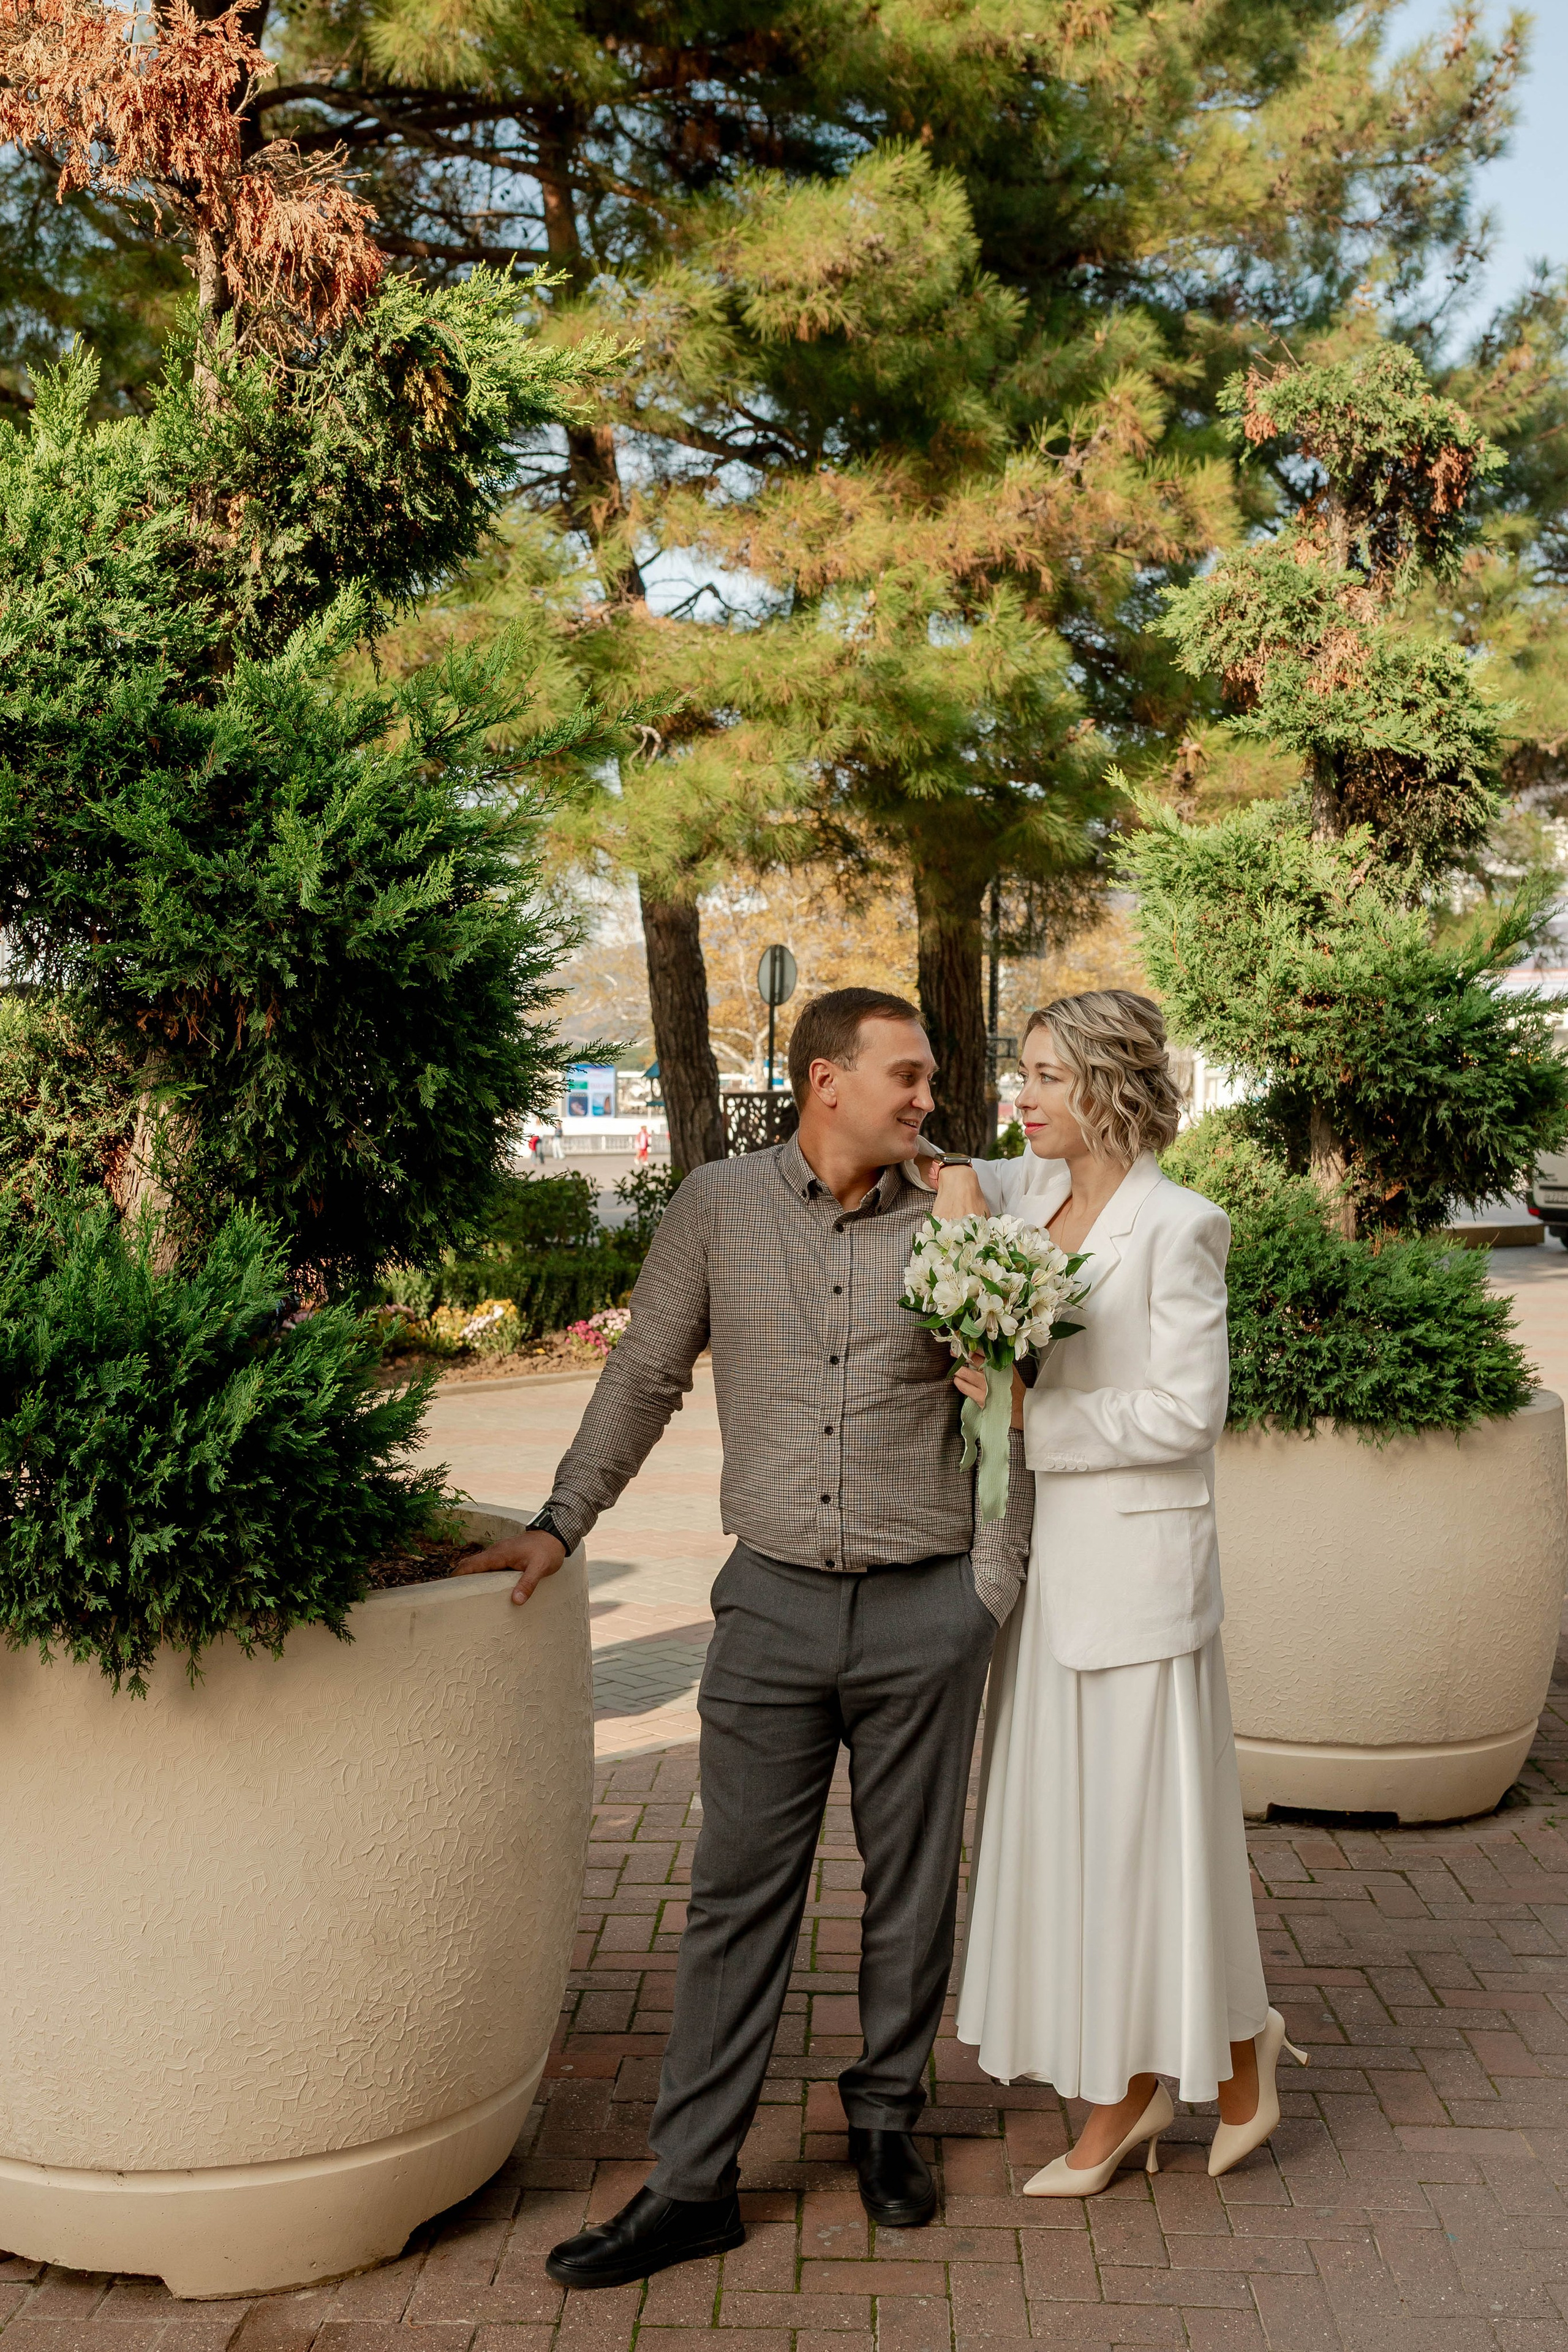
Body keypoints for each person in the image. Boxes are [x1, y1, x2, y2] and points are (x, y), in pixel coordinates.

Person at [460, 988, 1011, 2286]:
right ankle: (694, 2181)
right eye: (907, 1075)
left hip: (927, 1604)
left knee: (911, 1885)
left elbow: (1017, 1397)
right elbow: (644, 1372)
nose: (928, 1099)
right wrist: (560, 1522)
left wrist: (990, 1581)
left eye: (930, 1078)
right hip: (770, 1605)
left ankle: (885, 2118)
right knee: (734, 1895)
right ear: (827, 1080)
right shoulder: (714, 1206)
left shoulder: (962, 1214)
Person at [937, 990, 1306, 2193]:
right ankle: (1231, 2054)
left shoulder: (1180, 1227)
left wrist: (1029, 1416)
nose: (1024, 1096)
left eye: (1047, 1076)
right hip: (1044, 1574)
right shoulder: (1034, 1192)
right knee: (1079, 1840)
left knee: (1138, 1848)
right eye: (1022, 1072)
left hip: (1139, 1583)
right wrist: (950, 1173)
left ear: (1105, 1086)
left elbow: (1186, 1414)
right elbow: (956, 1171)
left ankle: (1129, 2095)